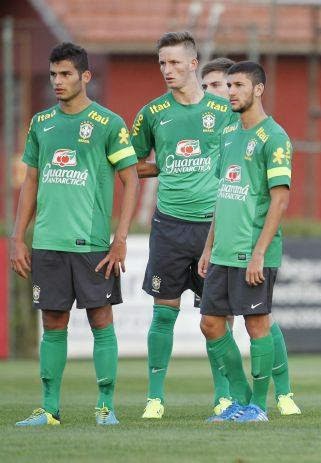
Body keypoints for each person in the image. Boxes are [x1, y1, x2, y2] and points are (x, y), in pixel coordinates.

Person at [12, 42, 139, 426]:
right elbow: (31, 182)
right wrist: (18, 237)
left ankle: (105, 406)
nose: (57, 81)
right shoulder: (41, 123)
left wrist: (120, 239)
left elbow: (131, 180)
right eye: (53, 74)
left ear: (85, 76)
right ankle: (49, 409)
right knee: (53, 323)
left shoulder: (108, 123)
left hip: (92, 244)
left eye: (65, 74)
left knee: (101, 320)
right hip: (48, 242)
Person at [131, 31, 238, 419]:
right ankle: (154, 399)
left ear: (194, 64)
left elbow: (240, 159)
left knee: (216, 317)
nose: (167, 69)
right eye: (162, 63)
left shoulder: (224, 110)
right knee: (164, 311)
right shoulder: (151, 113)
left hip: (213, 227)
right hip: (169, 225)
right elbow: (131, 164)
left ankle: (224, 396)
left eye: (175, 62)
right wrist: (163, 165)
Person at [200, 56, 301, 415]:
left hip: (253, 251)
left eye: (238, 85)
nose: (231, 92)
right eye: (228, 85)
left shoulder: (274, 138)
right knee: (210, 324)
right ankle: (242, 399)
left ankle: (258, 406)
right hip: (223, 250)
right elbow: (223, 195)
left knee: (257, 325)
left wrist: (259, 253)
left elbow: (280, 199)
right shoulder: (228, 134)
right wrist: (208, 247)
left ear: (258, 89)